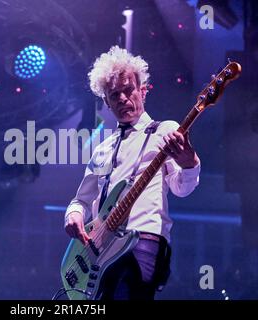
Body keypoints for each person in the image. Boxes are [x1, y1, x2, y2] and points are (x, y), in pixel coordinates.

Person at [64, 46, 201, 300]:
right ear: (106, 101)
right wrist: (73, 215)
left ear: (143, 90)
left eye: (129, 90)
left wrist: (189, 161)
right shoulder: (102, 148)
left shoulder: (165, 130)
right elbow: (81, 200)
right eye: (115, 95)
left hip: (143, 241)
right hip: (99, 248)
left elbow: (181, 188)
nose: (123, 99)